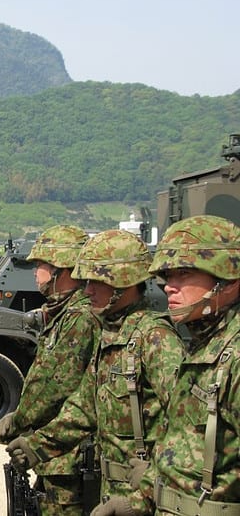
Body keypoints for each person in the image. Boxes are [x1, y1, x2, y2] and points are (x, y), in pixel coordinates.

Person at [6, 229, 184, 511]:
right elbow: (83, 408)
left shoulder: (155, 339)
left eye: (96, 281)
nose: (87, 290)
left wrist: (153, 481)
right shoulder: (115, 336)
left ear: (122, 281)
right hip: (112, 489)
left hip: (141, 497)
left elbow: (186, 428)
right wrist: (35, 446)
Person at [96, 215, 240, 516]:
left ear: (227, 279)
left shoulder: (234, 355)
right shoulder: (206, 345)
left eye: (183, 274)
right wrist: (139, 500)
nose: (169, 288)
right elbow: (184, 451)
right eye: (167, 277)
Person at [0, 225, 101, 514]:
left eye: (41, 264)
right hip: (58, 451)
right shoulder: (66, 314)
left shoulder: (78, 318)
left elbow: (53, 387)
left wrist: (17, 421)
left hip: (70, 455)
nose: (35, 271)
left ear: (61, 270)